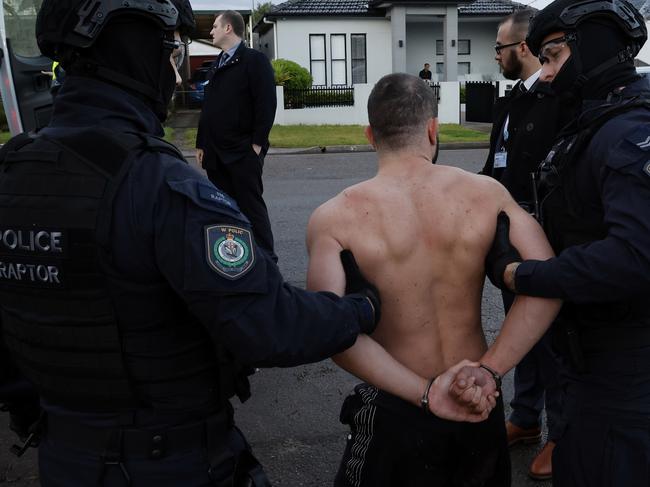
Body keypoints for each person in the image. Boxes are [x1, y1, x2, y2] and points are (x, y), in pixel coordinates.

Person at [0, 2, 492, 485]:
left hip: (65, 453)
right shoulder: (162, 189)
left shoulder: (14, 172)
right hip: (167, 457)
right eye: (168, 53)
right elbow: (270, 326)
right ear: (137, 54)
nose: (173, 73)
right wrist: (361, 307)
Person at [306, 72, 561, 487]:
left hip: (397, 404)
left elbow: (329, 331)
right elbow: (549, 285)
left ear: (371, 134)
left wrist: (427, 393)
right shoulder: (487, 194)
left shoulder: (335, 217)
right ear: (432, 129)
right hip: (477, 395)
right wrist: (489, 372)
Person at [453, 1, 650, 485]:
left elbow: (634, 256)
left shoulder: (629, 131)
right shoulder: (599, 119)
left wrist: (525, 274)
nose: (545, 75)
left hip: (623, 370)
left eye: (553, 57)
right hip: (594, 357)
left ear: (593, 49)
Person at [481, 9, 569, 479]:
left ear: (522, 48)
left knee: (551, 337)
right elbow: (495, 168)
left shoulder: (559, 98)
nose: (495, 54)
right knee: (521, 329)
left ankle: (560, 433)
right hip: (506, 236)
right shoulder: (510, 100)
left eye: (499, 46)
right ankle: (525, 418)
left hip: (545, 238)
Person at [195, 10, 278, 262]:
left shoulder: (254, 60)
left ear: (228, 28)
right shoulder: (218, 63)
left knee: (251, 208)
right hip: (215, 153)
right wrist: (201, 143)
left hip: (242, 152)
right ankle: (238, 261)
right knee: (224, 210)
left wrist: (256, 145)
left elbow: (266, 104)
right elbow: (209, 108)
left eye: (215, 26)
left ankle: (267, 260)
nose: (211, 31)